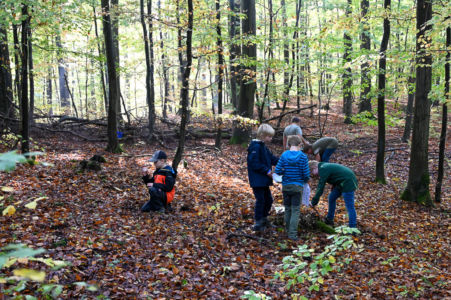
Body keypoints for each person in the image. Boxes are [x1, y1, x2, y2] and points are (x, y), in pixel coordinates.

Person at [274, 135, 310, 240]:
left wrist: (285, 171)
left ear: (288, 145)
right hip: (297, 186)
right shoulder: (303, 157)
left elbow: (278, 171)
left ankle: (287, 230)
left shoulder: (284, 155)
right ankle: (292, 234)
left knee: (288, 209)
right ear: (300, 145)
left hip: (286, 186)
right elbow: (306, 174)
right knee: (295, 210)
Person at [247, 124, 279, 231]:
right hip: (257, 180)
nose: (270, 139)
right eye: (269, 136)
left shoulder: (263, 147)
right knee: (260, 200)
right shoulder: (255, 146)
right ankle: (258, 222)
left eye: (271, 136)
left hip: (264, 180)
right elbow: (254, 163)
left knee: (268, 200)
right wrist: (267, 171)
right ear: (262, 135)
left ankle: (264, 218)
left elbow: (272, 159)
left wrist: (284, 161)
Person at [309, 161, 358, 228]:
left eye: (312, 172)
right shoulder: (323, 167)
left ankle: (352, 228)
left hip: (348, 182)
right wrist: (334, 185)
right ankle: (329, 219)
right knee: (331, 198)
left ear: (314, 167)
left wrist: (313, 202)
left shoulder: (323, 169)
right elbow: (336, 175)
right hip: (340, 183)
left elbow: (320, 187)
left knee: (349, 206)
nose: (313, 174)